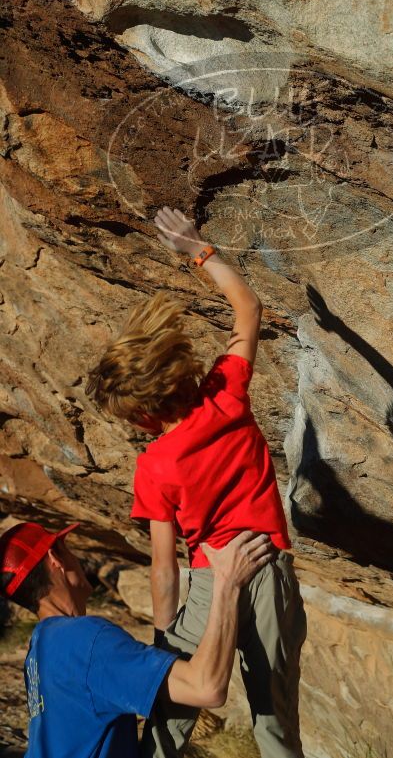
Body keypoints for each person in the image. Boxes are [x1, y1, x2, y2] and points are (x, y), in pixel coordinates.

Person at [86, 207, 307, 758]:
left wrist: (165, 643)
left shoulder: (155, 466)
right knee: (273, 716)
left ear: (142, 412)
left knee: (169, 716)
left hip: (212, 581)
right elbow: (248, 308)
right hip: (269, 566)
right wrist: (195, 248)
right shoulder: (226, 396)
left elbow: (164, 569)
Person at [0, 519, 274, 758]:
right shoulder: (84, 639)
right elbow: (206, 687)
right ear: (55, 559)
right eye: (69, 550)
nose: (77, 560)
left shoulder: (40, 649)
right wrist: (227, 584)